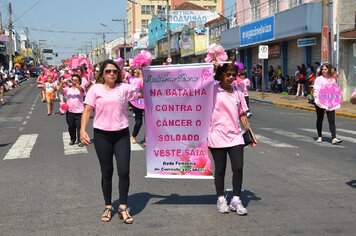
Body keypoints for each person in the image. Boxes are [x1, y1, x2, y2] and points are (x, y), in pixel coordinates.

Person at [80, 59, 139, 224]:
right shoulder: (95, 89)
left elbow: (141, 91)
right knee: (107, 172)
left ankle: (122, 207)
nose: (112, 73)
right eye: (108, 71)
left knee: (124, 171)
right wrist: (82, 130)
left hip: (121, 135)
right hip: (102, 136)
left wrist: (146, 71)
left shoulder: (124, 88)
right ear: (102, 74)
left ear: (118, 73)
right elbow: (87, 109)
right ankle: (108, 206)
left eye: (114, 71)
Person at [208, 62, 257, 215]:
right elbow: (200, 81)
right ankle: (221, 199)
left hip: (235, 136)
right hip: (216, 135)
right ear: (221, 74)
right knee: (220, 169)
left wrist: (250, 132)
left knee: (238, 167)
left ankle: (236, 199)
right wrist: (212, 66)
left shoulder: (238, 92)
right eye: (227, 74)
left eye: (232, 74)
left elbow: (242, 113)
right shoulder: (212, 89)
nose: (230, 77)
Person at [313, 63, 342, 144]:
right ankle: (319, 136)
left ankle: (334, 137)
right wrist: (318, 100)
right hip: (320, 102)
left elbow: (335, 89)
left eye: (325, 69)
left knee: (331, 120)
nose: (323, 71)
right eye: (322, 69)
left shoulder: (332, 79)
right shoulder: (319, 79)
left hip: (330, 102)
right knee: (320, 118)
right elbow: (316, 89)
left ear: (329, 69)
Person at [58, 74, 85, 146]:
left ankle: (80, 141)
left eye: (76, 80)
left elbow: (82, 90)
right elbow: (59, 90)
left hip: (79, 112)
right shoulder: (68, 89)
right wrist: (62, 83)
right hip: (70, 112)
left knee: (79, 127)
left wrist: (75, 83)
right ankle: (73, 139)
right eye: (73, 80)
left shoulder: (81, 88)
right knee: (71, 127)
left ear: (79, 81)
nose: (74, 81)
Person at [129, 69, 144, 144]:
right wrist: (138, 94)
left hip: (148, 102)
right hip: (137, 102)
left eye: (135, 72)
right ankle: (133, 135)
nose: (134, 73)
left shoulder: (148, 79)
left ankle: (146, 138)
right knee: (139, 122)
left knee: (150, 123)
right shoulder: (134, 81)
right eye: (133, 71)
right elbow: (132, 92)